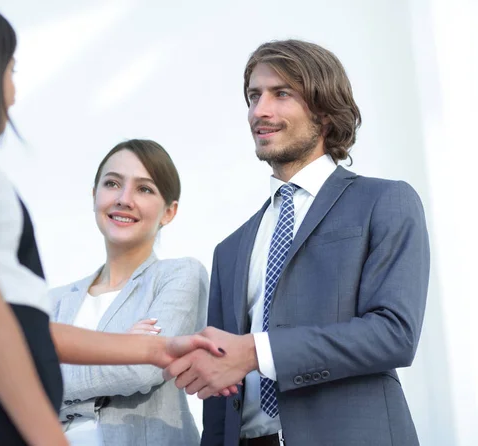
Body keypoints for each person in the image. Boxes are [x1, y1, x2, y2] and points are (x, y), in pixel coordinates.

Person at [0, 2, 222, 445]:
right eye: (11, 69)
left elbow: (25, 328)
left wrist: (156, 347)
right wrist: (49, 437)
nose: (13, 92)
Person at [164, 39, 430, 446]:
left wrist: (256, 351)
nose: (259, 111)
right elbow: (219, 398)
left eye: (281, 93)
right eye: (254, 96)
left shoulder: (384, 201)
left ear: (323, 110)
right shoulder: (231, 249)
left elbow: (394, 333)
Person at [50, 139, 206, 446]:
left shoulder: (179, 275)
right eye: (112, 184)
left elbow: (141, 370)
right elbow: (9, 390)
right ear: (94, 195)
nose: (124, 199)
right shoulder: (53, 302)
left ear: (169, 212)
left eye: (144, 189)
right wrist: (123, 344)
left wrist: (49, 376)